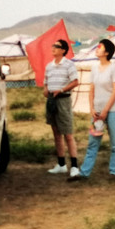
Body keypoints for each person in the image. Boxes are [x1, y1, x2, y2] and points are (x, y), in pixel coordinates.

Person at [69, 39, 115, 181]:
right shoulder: (94, 68)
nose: (97, 49)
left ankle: (114, 171)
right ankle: (84, 173)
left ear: (107, 52)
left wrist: (105, 110)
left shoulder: (114, 68)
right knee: (93, 142)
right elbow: (91, 89)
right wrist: (92, 109)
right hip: (97, 112)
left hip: (112, 111)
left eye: (100, 47)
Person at [43, 39, 80, 177]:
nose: (53, 48)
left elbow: (75, 81)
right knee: (56, 133)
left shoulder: (69, 64)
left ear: (63, 50)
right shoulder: (49, 66)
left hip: (63, 100)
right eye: (53, 45)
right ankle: (61, 164)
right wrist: (46, 90)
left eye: (56, 46)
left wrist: (62, 89)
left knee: (68, 134)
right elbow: (45, 83)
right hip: (52, 100)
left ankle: (75, 166)